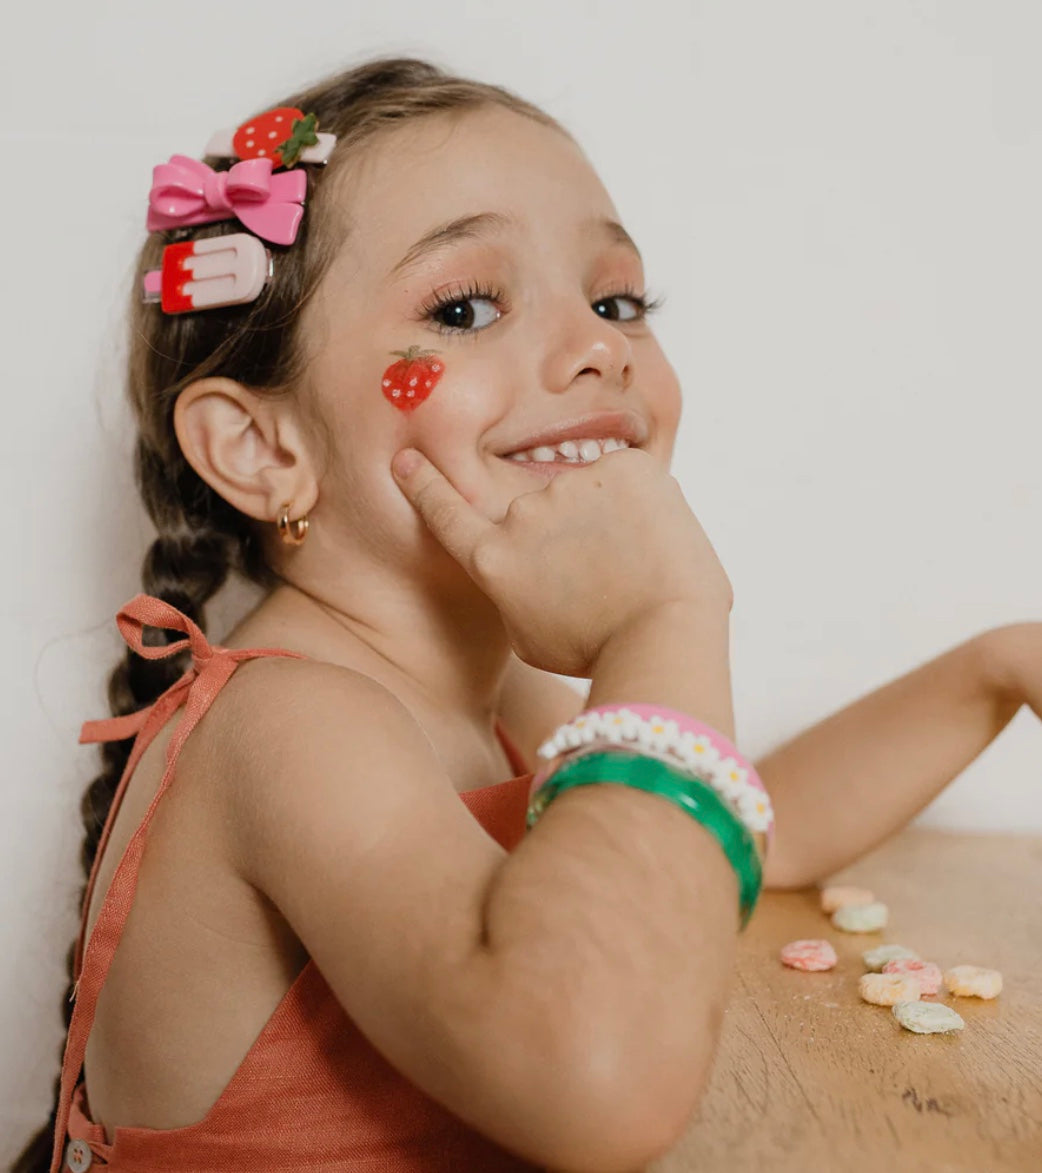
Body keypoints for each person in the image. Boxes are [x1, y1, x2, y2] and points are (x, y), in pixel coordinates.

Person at [15, 54, 1037, 1173]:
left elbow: (732, 834)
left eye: (616, 302)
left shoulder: (496, 692)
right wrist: (661, 622)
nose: (601, 346)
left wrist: (993, 668)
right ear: (262, 449)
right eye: (464, 308)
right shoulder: (293, 726)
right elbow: (595, 1082)